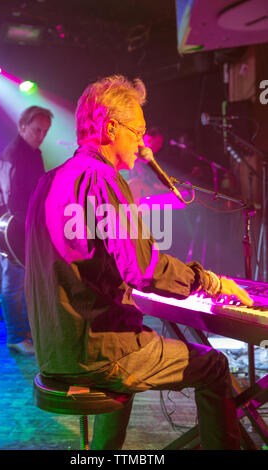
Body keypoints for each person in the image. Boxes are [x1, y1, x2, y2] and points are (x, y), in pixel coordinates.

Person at [24, 75, 253, 449]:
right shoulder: (103, 178)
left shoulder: (48, 182)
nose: (143, 144)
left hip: (54, 351)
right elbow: (143, 269)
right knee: (214, 367)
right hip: (99, 351)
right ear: (110, 128)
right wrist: (210, 282)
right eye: (138, 131)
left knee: (127, 361)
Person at [0, 105, 53, 354]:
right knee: (13, 283)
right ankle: (16, 336)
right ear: (22, 126)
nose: (41, 136)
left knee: (26, 282)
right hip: (10, 229)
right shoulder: (13, 155)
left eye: (45, 132)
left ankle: (25, 332)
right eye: (37, 130)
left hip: (23, 226)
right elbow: (13, 201)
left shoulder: (33, 153)